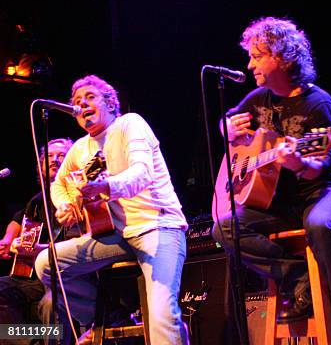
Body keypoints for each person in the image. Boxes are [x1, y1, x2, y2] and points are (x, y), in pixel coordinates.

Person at [212, 17, 331, 344]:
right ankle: (298, 276)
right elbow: (225, 121)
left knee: (321, 224)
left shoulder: (318, 103)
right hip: (280, 203)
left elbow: (318, 169)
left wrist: (298, 161)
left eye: (257, 56)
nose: (250, 64)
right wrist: (225, 129)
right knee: (223, 227)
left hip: (327, 190)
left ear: (283, 57)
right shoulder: (259, 99)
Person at [34, 75, 189, 345]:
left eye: (90, 97)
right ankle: (104, 313)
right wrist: (66, 204)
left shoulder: (130, 124)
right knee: (46, 263)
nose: (82, 104)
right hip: (116, 235)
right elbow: (58, 184)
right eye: (77, 102)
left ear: (110, 102)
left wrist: (105, 186)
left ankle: (170, 331)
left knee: (161, 315)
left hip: (157, 226)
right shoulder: (81, 148)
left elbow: (142, 173)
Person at [0, 138, 73, 344]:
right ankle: (32, 341)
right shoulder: (38, 199)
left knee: (51, 302)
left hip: (60, 276)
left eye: (61, 155)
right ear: (40, 165)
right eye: (49, 156)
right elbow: (18, 218)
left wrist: (40, 250)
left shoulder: (76, 196)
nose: (54, 160)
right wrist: (8, 240)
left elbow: (81, 243)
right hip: (29, 278)